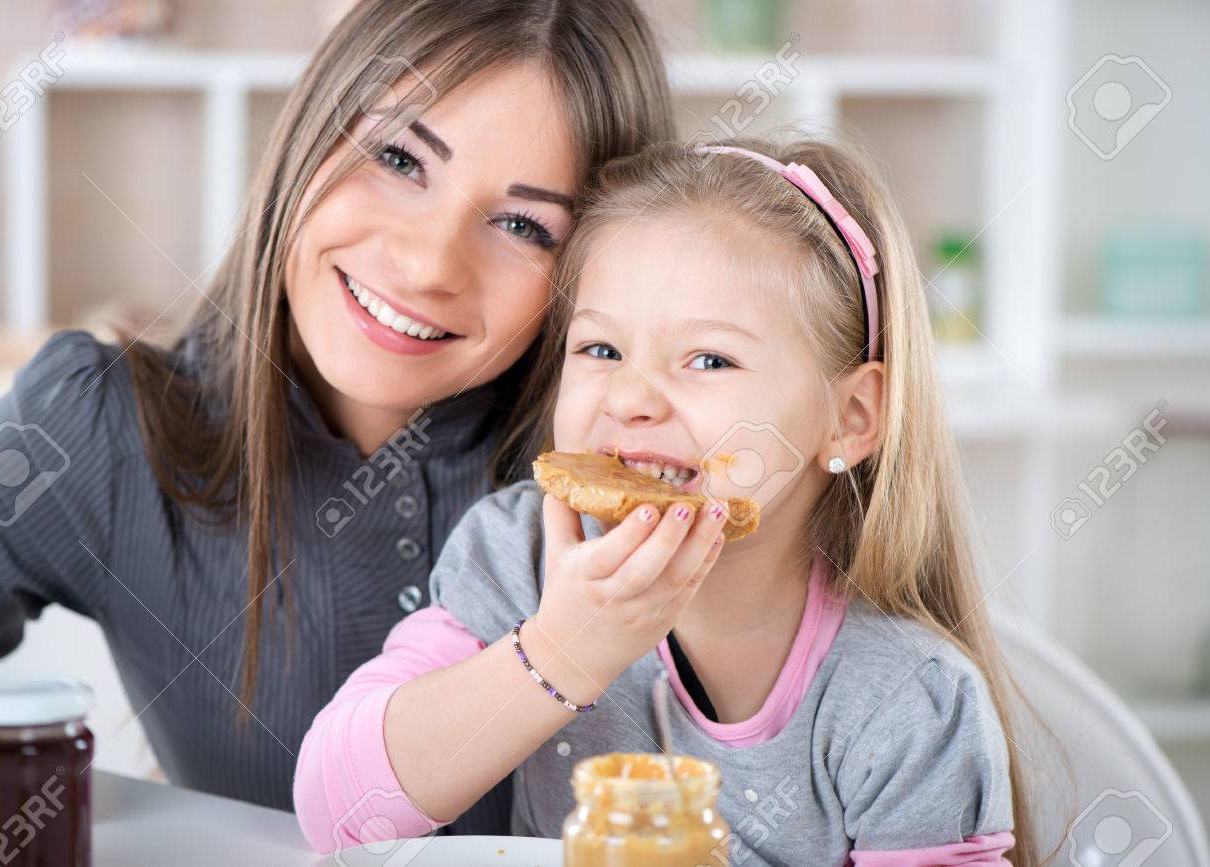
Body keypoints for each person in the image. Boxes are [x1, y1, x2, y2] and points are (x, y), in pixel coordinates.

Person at [0, 0, 675, 828]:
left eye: (524, 224)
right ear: (310, 126)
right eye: (398, 157)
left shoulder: (635, 484)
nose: (426, 265)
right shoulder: (95, 422)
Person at [294, 135, 1041, 864]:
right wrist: (560, 651)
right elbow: (336, 808)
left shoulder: (904, 701)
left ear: (850, 417)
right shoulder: (520, 557)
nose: (631, 396)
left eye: (709, 359)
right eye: (601, 349)